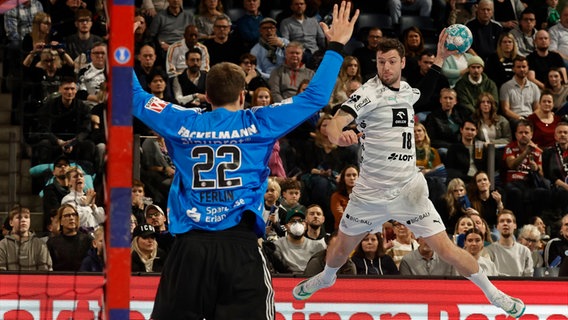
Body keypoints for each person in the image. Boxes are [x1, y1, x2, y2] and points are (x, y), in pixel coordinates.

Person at [132, 2, 358, 318]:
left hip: (189, 250)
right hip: (239, 247)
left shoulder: (180, 120)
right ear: (243, 96)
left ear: (206, 96)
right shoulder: (260, 121)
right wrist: (335, 46)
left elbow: (134, 96)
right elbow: (315, 98)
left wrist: (122, 43)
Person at [291, 32, 527, 317]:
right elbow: (336, 121)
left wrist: (439, 58)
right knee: (340, 248)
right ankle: (327, 277)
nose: (386, 67)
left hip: (409, 191)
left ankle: (494, 294)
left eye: (391, 62)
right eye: (380, 62)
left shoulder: (404, 89)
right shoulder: (368, 93)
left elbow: (424, 95)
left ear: (402, 62)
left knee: (447, 249)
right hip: (370, 193)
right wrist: (337, 135)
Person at [502, 119, 551, 227]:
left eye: (526, 132)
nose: (523, 135)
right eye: (520, 132)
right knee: (515, 192)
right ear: (516, 134)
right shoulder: (510, 147)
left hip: (530, 183)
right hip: (514, 181)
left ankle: (538, 225)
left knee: (542, 192)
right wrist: (525, 153)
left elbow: (541, 174)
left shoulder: (537, 151)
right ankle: (518, 226)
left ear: (532, 134)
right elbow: (512, 164)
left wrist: (536, 169)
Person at [273, 209, 326, 273]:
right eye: (293, 221)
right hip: (288, 279)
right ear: (286, 226)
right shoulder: (277, 245)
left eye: (300, 221)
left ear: (306, 226)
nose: (297, 224)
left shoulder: (317, 246)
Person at [483, 210, 534, 276]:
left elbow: (528, 277)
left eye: (509, 221)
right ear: (497, 226)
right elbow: (488, 274)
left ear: (515, 226)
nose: (505, 224)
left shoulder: (525, 251)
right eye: (502, 221)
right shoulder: (489, 250)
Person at [0, 206, 52, 271]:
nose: (23, 220)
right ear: (11, 222)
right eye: (19, 217)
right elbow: (1, 273)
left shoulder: (40, 244)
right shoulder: (2, 245)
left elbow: (46, 271)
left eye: (26, 217)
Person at [47, 204, 92, 271]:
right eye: (67, 215)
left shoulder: (87, 240)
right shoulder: (52, 243)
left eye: (74, 215)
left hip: (83, 279)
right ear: (61, 221)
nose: (71, 218)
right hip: (60, 279)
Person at [280, 0, 326, 66]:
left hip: (315, 53)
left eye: (301, 4)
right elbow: (285, 41)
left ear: (305, 6)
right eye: (296, 4)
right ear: (291, 7)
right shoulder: (286, 22)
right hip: (298, 54)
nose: (299, 6)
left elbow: (321, 38)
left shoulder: (314, 21)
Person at [61, 166, 105, 231]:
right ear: (69, 182)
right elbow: (77, 220)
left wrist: (93, 206)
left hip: (96, 235)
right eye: (75, 176)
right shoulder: (67, 199)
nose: (79, 178)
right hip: (81, 237)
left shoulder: (87, 197)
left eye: (81, 176)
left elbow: (101, 219)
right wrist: (86, 204)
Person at [444, 119, 488, 183]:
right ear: (461, 130)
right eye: (467, 129)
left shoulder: (480, 147)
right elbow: (450, 170)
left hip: (479, 180)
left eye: (472, 130)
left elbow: (486, 167)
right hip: (462, 181)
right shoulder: (454, 148)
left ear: (476, 132)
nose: (469, 132)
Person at [500, 56, 541, 124]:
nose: (522, 69)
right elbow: (506, 110)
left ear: (528, 68)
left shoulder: (534, 87)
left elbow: (537, 108)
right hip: (514, 119)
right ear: (513, 69)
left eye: (524, 67)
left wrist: (530, 118)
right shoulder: (505, 87)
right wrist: (520, 118)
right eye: (518, 67)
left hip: (530, 118)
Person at [542, 121, 568, 215]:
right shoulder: (548, 153)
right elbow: (549, 175)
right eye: (560, 132)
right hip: (557, 186)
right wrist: (566, 186)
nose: (562, 135)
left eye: (565, 132)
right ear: (555, 136)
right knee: (564, 193)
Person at [330, 165, 358, 231]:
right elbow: (341, 219)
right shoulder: (336, 196)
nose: (352, 178)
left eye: (354, 175)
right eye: (348, 175)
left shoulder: (365, 196)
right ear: (343, 178)